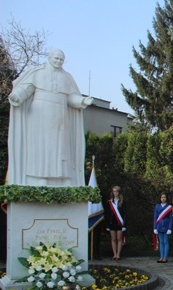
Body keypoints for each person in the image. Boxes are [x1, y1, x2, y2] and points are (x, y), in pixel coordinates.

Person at [7, 49, 94, 187]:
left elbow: (70, 97)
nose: (59, 61)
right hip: (40, 115)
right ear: (49, 58)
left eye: (61, 59)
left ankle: (63, 178)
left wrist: (82, 101)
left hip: (60, 117)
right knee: (41, 147)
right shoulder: (38, 72)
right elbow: (26, 89)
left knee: (62, 148)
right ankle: (40, 178)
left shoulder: (67, 77)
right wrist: (17, 96)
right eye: (56, 58)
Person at [105, 186, 126, 261]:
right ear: (112, 192)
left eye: (117, 191)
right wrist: (107, 224)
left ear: (119, 192)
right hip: (111, 222)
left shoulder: (122, 202)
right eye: (114, 191)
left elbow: (125, 214)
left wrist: (124, 225)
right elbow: (107, 214)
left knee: (119, 239)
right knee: (113, 239)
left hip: (119, 223)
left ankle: (118, 254)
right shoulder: (109, 202)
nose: (115, 193)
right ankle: (114, 254)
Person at [153, 192, 173, 263]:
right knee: (161, 242)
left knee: (166, 242)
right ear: (160, 198)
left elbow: (171, 218)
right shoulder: (157, 206)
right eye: (162, 197)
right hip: (159, 225)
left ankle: (165, 257)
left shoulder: (169, 207)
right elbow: (155, 217)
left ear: (166, 198)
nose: (163, 198)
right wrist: (155, 227)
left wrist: (170, 228)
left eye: (164, 197)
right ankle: (161, 257)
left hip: (166, 225)